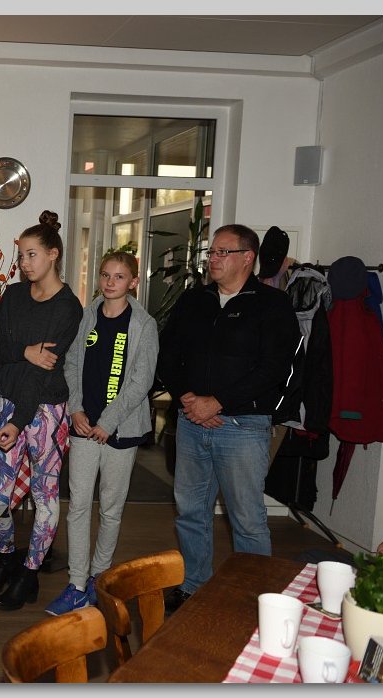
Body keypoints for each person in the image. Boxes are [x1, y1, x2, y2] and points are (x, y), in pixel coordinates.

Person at [157, 223, 300, 615]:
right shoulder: (194, 300)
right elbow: (168, 355)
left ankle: (254, 600)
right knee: (191, 512)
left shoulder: (272, 305)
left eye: (223, 252)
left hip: (243, 428)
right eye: (212, 252)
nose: (213, 259)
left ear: (247, 258)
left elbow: (274, 368)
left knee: (247, 519)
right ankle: (193, 587)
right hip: (191, 422)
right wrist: (188, 398)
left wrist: (218, 402)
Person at [43, 251, 159, 616]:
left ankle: (99, 578)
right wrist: (76, 409)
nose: (110, 282)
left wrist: (108, 422)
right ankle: (76, 583)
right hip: (83, 426)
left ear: (133, 282)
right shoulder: (86, 316)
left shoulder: (144, 325)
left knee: (110, 509)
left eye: (119, 276)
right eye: (105, 275)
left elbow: (141, 381)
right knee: (78, 506)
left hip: (119, 431)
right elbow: (72, 363)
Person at [0, 210, 83, 612]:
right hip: (7, 404)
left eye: (31, 254)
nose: (23, 263)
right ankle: (6, 556)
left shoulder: (67, 307)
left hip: (46, 413)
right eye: (21, 255)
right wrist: (24, 352)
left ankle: (29, 572)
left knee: (45, 496)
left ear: (53, 254)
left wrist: (20, 420)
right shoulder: (13, 296)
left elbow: (45, 372)